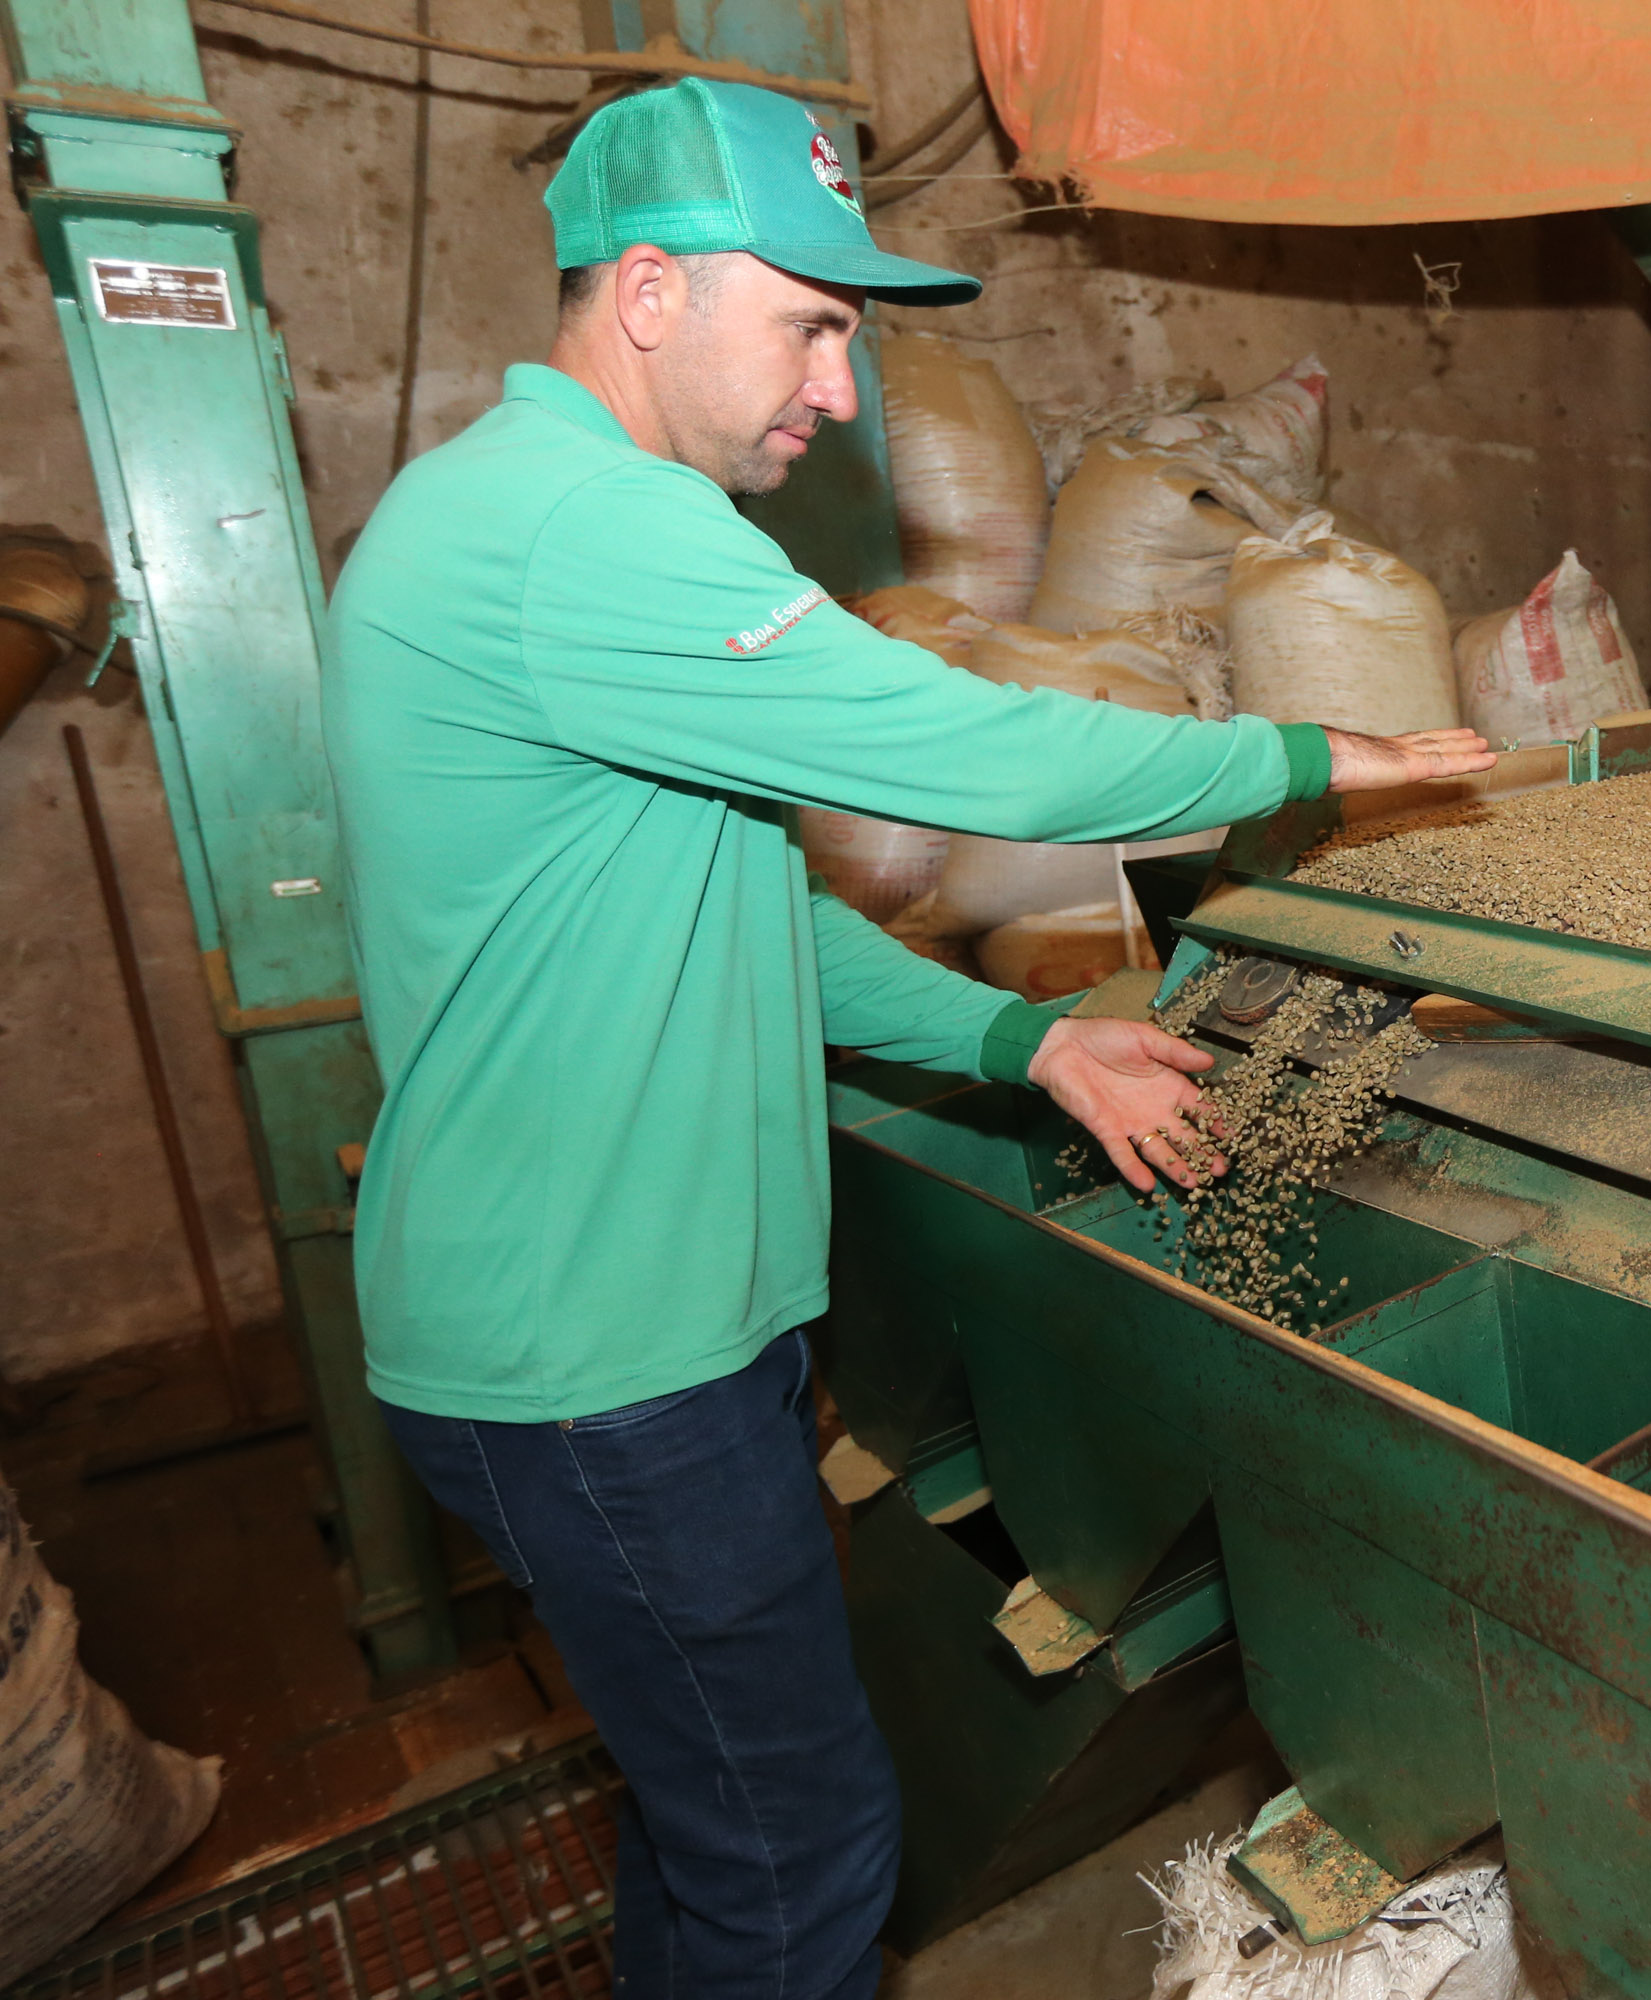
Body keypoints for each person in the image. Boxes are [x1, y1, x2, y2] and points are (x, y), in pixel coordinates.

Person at [319, 78, 1489, 2000]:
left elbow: (744, 920)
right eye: (813, 323)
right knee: (806, 1861)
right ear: (647, 295)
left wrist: (1025, 1048)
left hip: (635, 1332)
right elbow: (970, 744)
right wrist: (1296, 756)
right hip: (600, 1359)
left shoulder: (549, 527)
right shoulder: (577, 529)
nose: (842, 391)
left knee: (713, 1828)